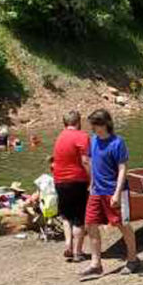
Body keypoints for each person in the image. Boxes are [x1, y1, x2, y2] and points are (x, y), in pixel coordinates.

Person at [80, 108, 139, 279]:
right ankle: (96, 264)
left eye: (95, 125)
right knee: (90, 224)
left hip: (114, 191)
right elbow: (92, 163)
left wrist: (117, 193)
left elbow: (122, 169)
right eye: (92, 125)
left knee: (123, 225)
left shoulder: (118, 142)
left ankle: (133, 259)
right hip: (96, 191)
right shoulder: (93, 141)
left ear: (105, 124)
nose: (93, 128)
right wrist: (91, 183)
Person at [52, 110, 91, 261]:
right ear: (79, 122)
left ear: (64, 123)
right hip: (77, 180)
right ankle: (77, 252)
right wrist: (92, 179)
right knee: (79, 218)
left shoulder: (60, 136)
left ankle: (68, 243)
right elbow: (85, 161)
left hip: (59, 181)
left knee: (66, 215)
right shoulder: (82, 136)